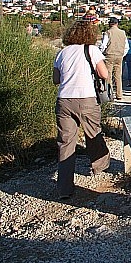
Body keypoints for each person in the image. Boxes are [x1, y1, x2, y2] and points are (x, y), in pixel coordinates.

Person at [52, 19, 111, 200]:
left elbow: (56, 79)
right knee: (93, 133)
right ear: (89, 35)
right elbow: (104, 74)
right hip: (86, 98)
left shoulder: (62, 53)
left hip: (64, 100)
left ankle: (64, 188)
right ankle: (99, 166)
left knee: (65, 142)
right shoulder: (91, 50)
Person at [98, 17, 129, 100]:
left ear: (110, 24)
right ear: (117, 23)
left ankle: (109, 94)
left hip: (109, 55)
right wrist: (122, 54)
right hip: (119, 56)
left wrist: (100, 54)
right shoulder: (123, 33)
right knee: (118, 76)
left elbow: (103, 45)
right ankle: (119, 94)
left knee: (108, 76)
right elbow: (126, 47)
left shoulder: (107, 32)